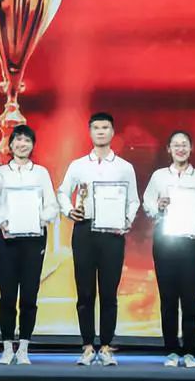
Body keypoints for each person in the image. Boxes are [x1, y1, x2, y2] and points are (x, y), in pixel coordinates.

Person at [57, 112, 140, 366]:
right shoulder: (78, 165)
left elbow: (134, 200)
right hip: (84, 231)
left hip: (112, 234)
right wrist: (69, 210)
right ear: (90, 132)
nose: (101, 131)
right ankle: (87, 346)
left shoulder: (124, 167)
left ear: (113, 132)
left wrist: (126, 221)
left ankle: (105, 346)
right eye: (96, 127)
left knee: (109, 292)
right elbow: (62, 192)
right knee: (84, 291)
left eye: (105, 127)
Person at [0, 125, 58, 365]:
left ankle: (24, 348)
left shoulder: (41, 173)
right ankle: (7, 348)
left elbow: (51, 205)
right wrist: (2, 222)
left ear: (33, 145)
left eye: (27, 140)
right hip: (7, 238)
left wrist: (39, 220)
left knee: (29, 295)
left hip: (34, 240)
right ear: (10, 144)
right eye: (18, 140)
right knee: (7, 295)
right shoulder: (0, 173)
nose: (22, 144)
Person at [143, 130, 195, 369]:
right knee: (168, 298)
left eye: (184, 144)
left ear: (191, 148)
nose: (180, 149)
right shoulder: (159, 176)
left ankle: (190, 351)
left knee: (190, 299)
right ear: (169, 149)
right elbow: (148, 204)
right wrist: (158, 206)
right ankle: (172, 350)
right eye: (176, 145)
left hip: (192, 242)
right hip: (166, 241)